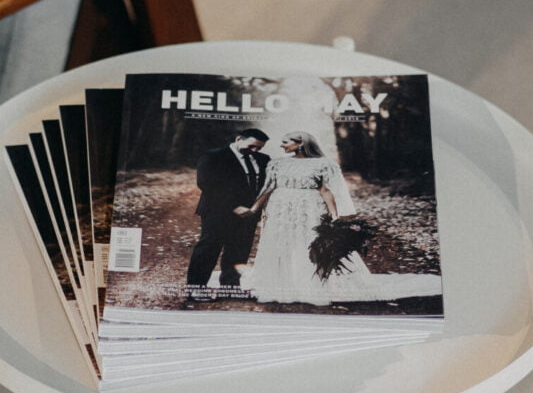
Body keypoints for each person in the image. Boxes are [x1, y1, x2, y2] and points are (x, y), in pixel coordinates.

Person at [241, 130, 434, 306]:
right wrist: (255, 208)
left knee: (308, 243)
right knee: (281, 243)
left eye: (285, 142)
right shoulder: (277, 163)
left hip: (309, 207)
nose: (281, 145)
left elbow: (325, 191)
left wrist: (335, 216)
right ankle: (280, 285)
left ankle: (311, 286)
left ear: (300, 143)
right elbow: (268, 187)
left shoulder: (324, 164)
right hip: (280, 208)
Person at [186, 128, 271, 291]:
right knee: (208, 250)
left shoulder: (263, 159)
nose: (255, 151)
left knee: (239, 251)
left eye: (259, 148)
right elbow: (206, 184)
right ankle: (196, 288)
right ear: (239, 139)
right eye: (251, 146)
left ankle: (230, 287)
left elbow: (265, 186)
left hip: (248, 215)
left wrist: (255, 209)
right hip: (217, 212)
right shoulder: (213, 156)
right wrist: (233, 207)